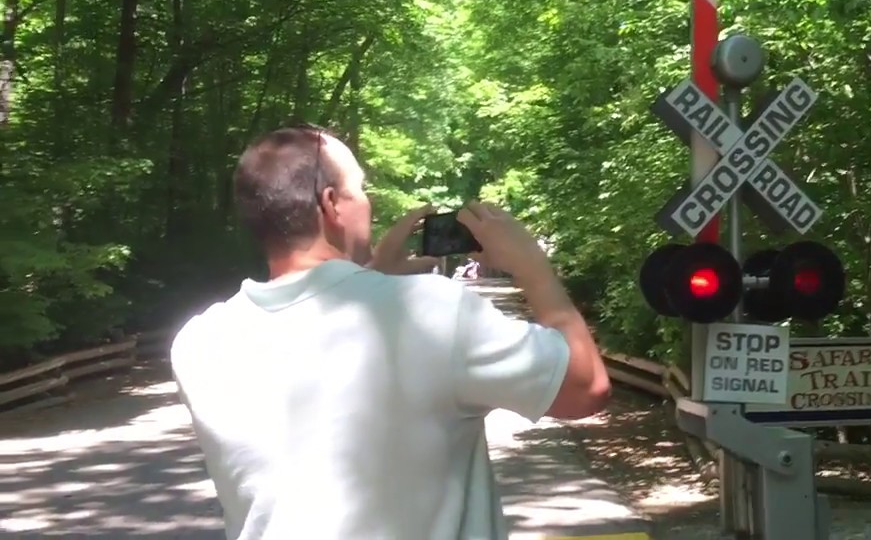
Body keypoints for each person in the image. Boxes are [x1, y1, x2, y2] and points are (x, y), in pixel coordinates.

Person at [169, 124, 610, 540]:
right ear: (331, 203)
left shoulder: (200, 343)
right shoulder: (431, 311)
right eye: (360, 189)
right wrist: (532, 266)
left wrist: (371, 277)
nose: (368, 202)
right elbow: (584, 388)